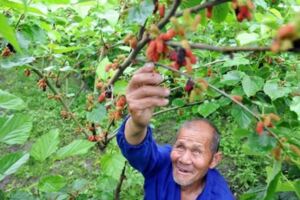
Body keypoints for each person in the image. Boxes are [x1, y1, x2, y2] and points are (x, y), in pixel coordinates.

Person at [117, 63, 234, 200]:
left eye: (196, 151)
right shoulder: (163, 163)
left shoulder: (220, 196)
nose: (184, 159)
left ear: (214, 160)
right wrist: (137, 124)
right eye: (180, 147)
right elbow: (138, 151)